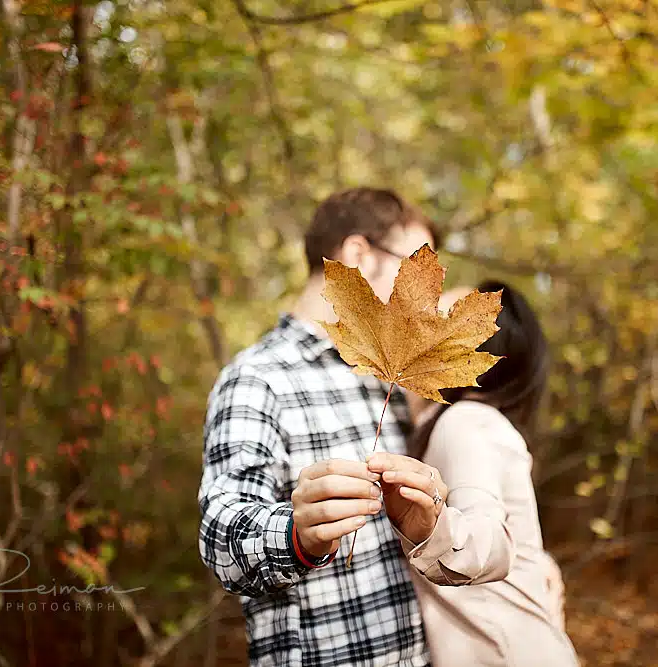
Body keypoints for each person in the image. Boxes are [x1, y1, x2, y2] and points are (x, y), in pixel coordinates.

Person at [198, 187, 453, 667]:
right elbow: (219, 537)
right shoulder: (257, 378)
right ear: (358, 254)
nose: (426, 296)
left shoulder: (388, 380)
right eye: (415, 268)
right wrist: (299, 533)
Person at [367, 281, 579, 667]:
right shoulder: (465, 423)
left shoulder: (465, 423)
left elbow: (484, 536)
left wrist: (429, 529)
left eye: (443, 323)